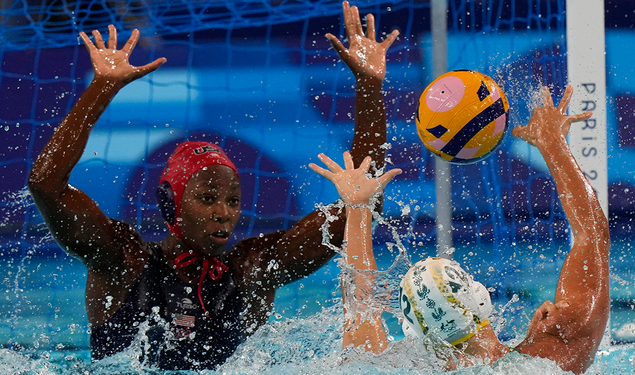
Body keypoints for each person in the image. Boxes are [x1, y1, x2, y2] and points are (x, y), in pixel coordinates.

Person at [27, 2, 398, 370]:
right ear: (171, 202)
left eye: (233, 200)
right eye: (207, 199)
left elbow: (362, 203)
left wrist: (368, 85)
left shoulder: (251, 271)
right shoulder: (124, 262)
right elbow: (45, 184)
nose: (224, 212)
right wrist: (102, 88)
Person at [310, 85, 610, 375]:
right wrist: (553, 143)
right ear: (480, 297)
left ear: (415, 331)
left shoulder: (379, 364)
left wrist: (358, 209)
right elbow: (592, 236)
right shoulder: (551, 358)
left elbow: (359, 303)